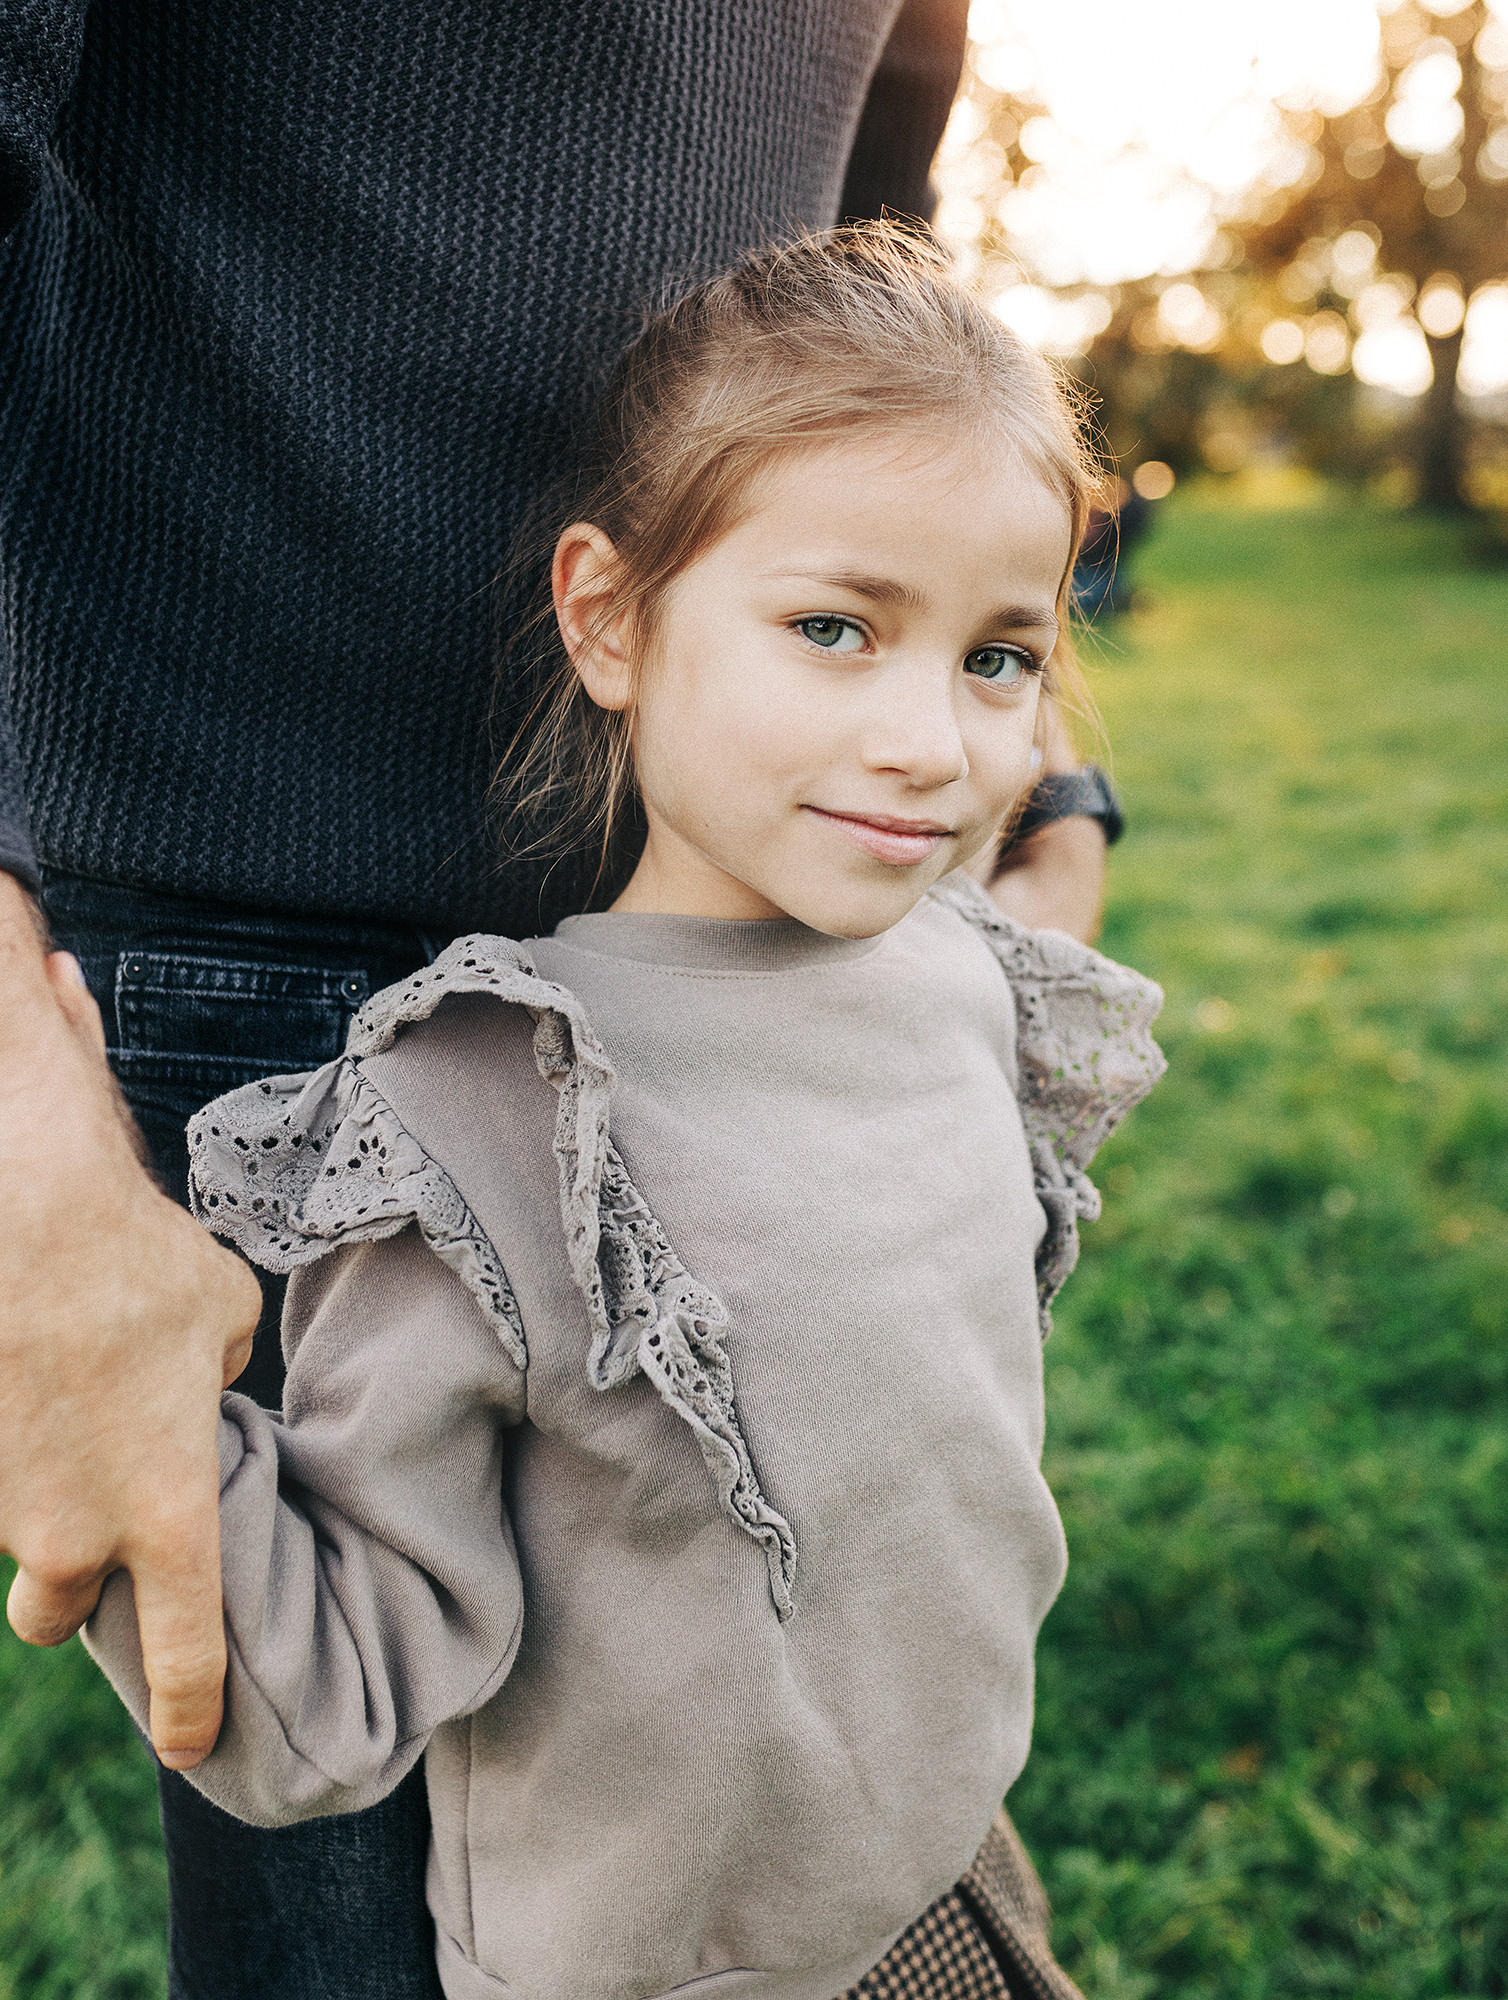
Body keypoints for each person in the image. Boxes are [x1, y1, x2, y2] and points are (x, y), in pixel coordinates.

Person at [0, 5, 1119, 1992]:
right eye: (837, 629)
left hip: (911, 1912)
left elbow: (883, 232)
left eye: (1000, 659)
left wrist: (1063, 805)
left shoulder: (951, 990)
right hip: (233, 915)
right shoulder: (451, 1142)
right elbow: (319, 1693)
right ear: (604, 615)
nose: (934, 744)